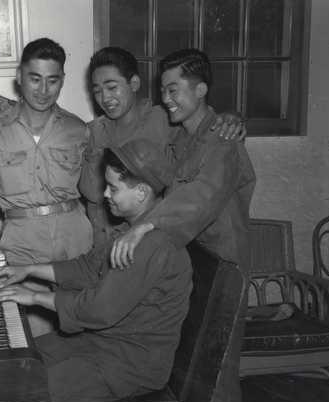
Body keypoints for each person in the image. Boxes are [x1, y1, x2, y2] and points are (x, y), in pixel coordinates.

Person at [0, 137, 193, 402]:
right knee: (22, 358)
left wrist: (34, 296)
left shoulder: (151, 244)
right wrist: (29, 269)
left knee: (26, 393)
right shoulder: (131, 231)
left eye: (113, 188)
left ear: (142, 192)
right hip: (102, 343)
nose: (105, 194)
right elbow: (87, 268)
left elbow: (99, 309)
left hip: (129, 364)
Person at [0, 46, 245, 252]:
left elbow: (203, 153)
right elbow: (57, 129)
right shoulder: (91, 131)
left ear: (133, 84)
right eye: (97, 90)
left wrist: (229, 117)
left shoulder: (163, 119)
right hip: (101, 245)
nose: (105, 98)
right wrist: (20, 109)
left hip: (153, 243)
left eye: (112, 87)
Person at [0, 38, 93, 336]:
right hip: (23, 243)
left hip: (76, 239)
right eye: (35, 79)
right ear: (19, 77)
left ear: (62, 81)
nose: (43, 90)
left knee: (83, 323)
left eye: (52, 81)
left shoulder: (78, 129)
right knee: (29, 335)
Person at [110, 49, 256, 274]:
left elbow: (202, 194)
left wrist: (146, 226)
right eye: (162, 91)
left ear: (200, 90)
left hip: (223, 265)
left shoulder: (223, 140)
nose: (166, 99)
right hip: (190, 254)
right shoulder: (178, 137)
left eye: (173, 91)